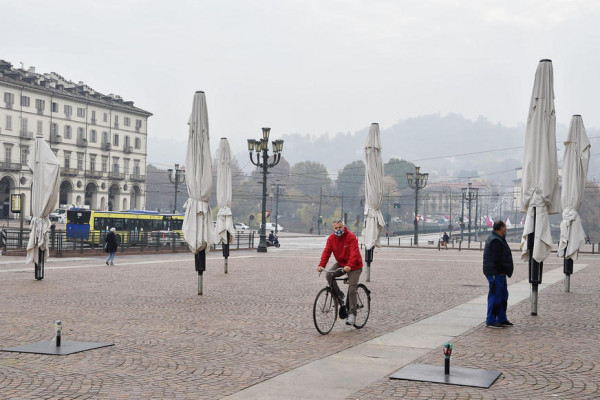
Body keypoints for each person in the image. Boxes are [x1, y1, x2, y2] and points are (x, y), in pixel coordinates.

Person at [317, 219, 363, 326]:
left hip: (355, 265)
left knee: (352, 289)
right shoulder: (331, 239)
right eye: (336, 228)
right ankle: (340, 295)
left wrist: (349, 266)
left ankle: (352, 314)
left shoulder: (351, 237)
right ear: (333, 228)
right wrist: (321, 265)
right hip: (341, 263)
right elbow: (326, 252)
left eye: (340, 227)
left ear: (343, 227)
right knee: (329, 274)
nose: (338, 229)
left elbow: (354, 254)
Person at [483, 220, 514, 328]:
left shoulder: (499, 239)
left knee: (503, 296)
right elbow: (496, 259)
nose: (506, 229)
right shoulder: (496, 241)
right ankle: (491, 320)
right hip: (495, 273)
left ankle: (501, 318)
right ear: (501, 228)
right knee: (495, 296)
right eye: (505, 227)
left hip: (500, 273)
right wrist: (502, 270)